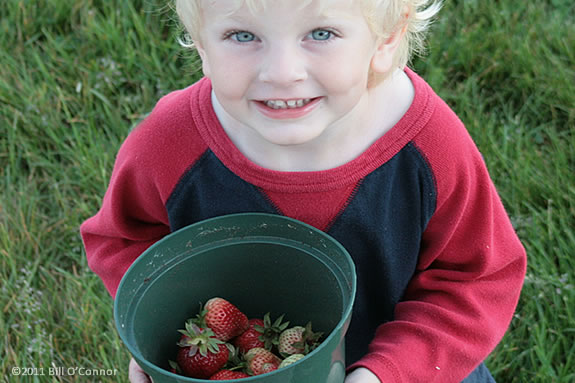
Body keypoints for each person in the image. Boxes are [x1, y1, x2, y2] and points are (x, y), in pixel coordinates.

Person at [80, 0, 527, 382]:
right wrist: (155, 331)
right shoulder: (170, 143)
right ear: (201, 43)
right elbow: (125, 240)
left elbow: (474, 279)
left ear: (387, 38)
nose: (282, 73)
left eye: (321, 32)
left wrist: (386, 371)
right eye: (241, 36)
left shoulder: (430, 147)